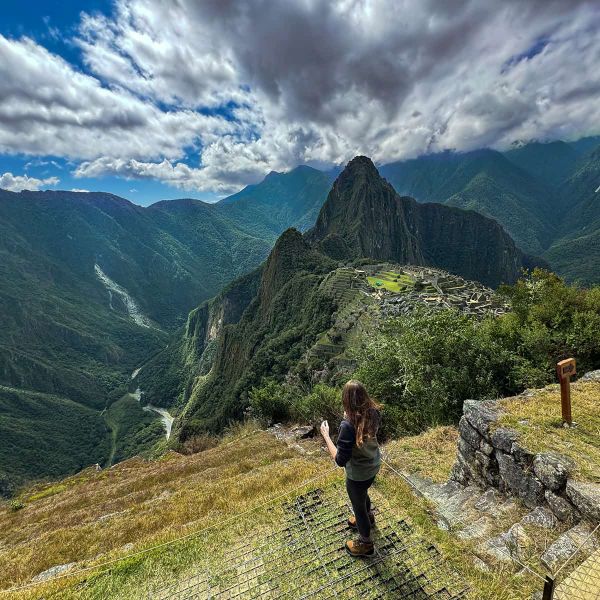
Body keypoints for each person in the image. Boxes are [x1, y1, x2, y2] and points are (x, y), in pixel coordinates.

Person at [320, 379, 382, 557]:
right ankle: (369, 517)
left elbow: (340, 459)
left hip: (358, 474)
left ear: (346, 401)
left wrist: (326, 436)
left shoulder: (347, 426)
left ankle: (366, 544)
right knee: (363, 495)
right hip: (373, 465)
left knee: (358, 507)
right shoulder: (374, 412)